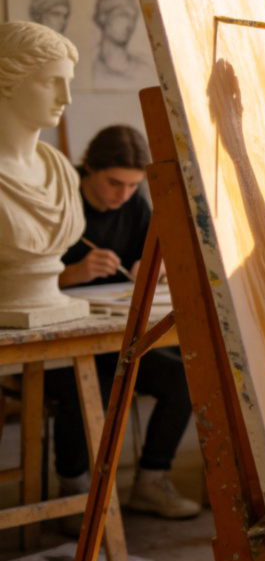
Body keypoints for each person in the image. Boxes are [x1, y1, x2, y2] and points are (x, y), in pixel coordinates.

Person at [45, 124, 200, 524]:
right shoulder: (60, 196)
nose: (124, 194)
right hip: (59, 344)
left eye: (133, 186)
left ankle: (151, 481)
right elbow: (18, 278)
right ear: (89, 169)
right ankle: (74, 492)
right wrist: (71, 274)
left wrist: (153, 268)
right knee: (86, 383)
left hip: (115, 336)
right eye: (115, 183)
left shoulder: (134, 204)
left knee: (182, 377)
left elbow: (157, 252)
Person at [0, 21, 86, 326]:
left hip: (52, 298)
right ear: (7, 80)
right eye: (51, 82)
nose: (66, 98)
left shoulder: (61, 169)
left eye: (69, 82)